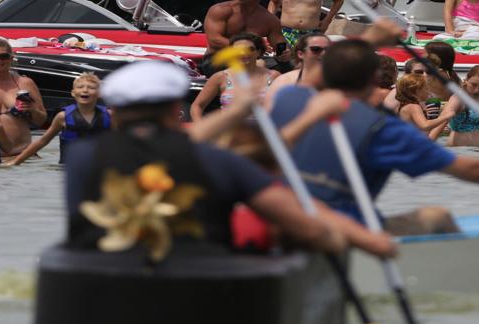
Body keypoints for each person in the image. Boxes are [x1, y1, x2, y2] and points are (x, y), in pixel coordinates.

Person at [65, 59, 395, 262]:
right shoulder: (220, 161)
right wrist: (347, 241)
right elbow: (306, 226)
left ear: (116, 111)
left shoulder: (81, 157)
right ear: (174, 110)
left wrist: (236, 112)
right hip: (202, 289)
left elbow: (170, 144)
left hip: (100, 281)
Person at [270, 38, 479, 234]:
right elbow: (471, 169)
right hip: (336, 230)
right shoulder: (384, 129)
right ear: (374, 79)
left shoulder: (289, 99)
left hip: (273, 217)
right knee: (436, 216)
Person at [7, 72, 108, 164]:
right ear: (73, 93)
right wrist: (16, 161)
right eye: (80, 87)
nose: (85, 90)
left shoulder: (110, 116)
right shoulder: (63, 117)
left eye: (91, 88)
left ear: (99, 93)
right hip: (69, 170)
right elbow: (42, 141)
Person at [0, 36, 45, 156]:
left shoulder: (24, 83)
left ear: (11, 58)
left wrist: (32, 109)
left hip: (23, 156)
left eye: (3, 56)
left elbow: (41, 121)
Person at [191, 32, 272, 115]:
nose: (243, 53)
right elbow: (197, 106)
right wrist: (201, 126)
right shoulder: (220, 77)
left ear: (258, 52)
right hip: (229, 127)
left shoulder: (274, 77)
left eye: (249, 49)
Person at [435, 65, 479, 147]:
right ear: (467, 79)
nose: (477, 90)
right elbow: (441, 122)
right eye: (473, 85)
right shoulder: (458, 98)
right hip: (462, 152)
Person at [264, 32, 328, 108]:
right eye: (316, 49)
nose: (324, 53)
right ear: (300, 54)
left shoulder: (339, 79)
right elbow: (270, 111)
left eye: (328, 49)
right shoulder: (285, 81)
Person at [204, 0, 284, 59]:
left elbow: (280, 45)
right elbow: (214, 40)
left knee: (285, 66)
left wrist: (284, 53)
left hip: (252, 62)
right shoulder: (221, 10)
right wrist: (248, 48)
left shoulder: (270, 19)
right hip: (218, 58)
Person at [270, 0, 339, 59]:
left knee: (311, 63)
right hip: (286, 32)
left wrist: (327, 20)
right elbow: (274, 2)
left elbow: (338, 1)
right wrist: (270, 23)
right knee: (283, 59)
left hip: (311, 33)